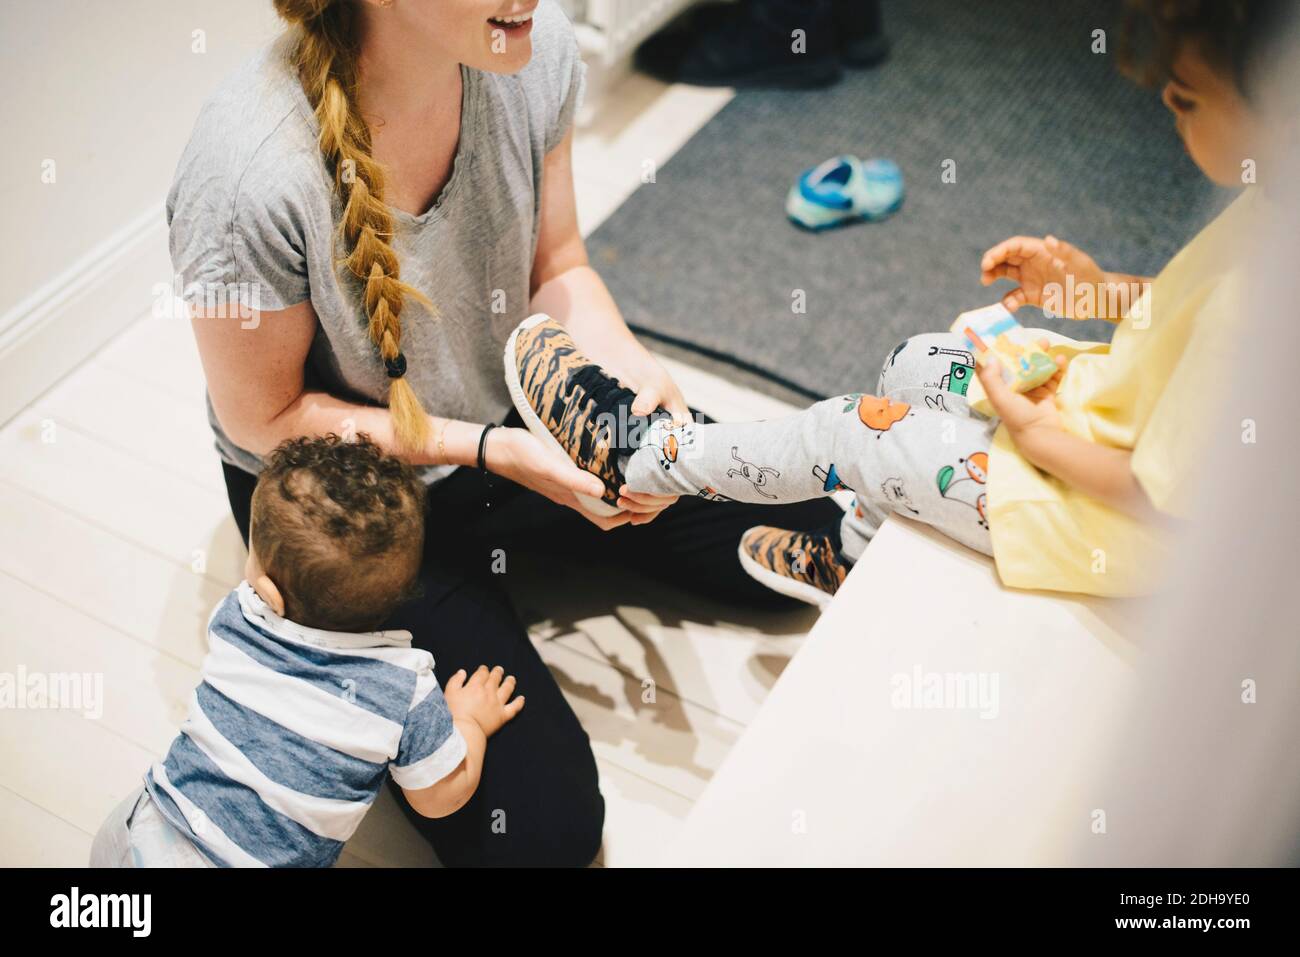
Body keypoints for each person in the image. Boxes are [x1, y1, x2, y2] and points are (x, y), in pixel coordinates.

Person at [167, 0, 839, 865]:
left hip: (504, 414)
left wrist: (630, 379)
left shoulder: (533, 44)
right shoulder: (244, 174)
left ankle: (528, 543)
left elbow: (557, 264)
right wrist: (496, 453)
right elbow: (264, 419)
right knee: (546, 836)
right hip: (351, 504)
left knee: (811, 523)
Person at [504, 0, 1283, 603]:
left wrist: (1038, 434)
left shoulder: (1263, 311)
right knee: (913, 363)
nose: (1173, 119)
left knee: (852, 430)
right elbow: (1179, 304)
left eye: (1187, 101)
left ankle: (637, 455)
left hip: (1084, 512)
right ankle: (849, 553)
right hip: (1090, 423)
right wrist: (1085, 291)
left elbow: (1167, 497)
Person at [90, 435, 524, 867]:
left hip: (138, 834)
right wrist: (469, 721)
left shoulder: (236, 617)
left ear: (267, 592)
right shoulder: (403, 687)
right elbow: (438, 798)